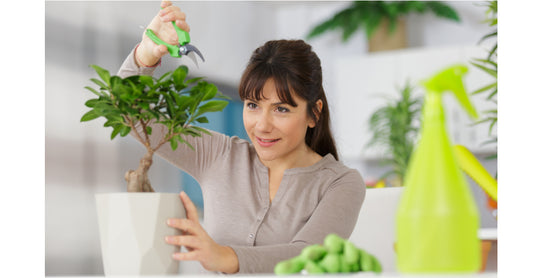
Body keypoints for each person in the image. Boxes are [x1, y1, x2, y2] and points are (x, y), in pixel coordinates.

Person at [117, 1, 366, 274]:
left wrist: (224, 256)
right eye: (252, 105)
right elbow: (129, 116)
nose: (262, 125)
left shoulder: (341, 183)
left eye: (281, 109)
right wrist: (147, 55)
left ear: (313, 114)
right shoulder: (218, 155)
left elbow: (309, 255)